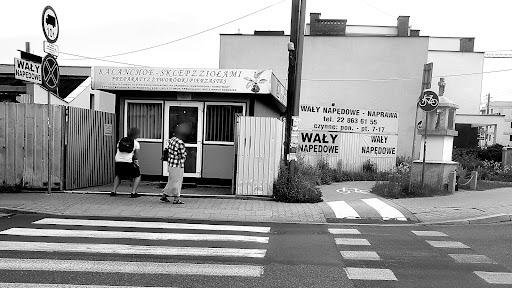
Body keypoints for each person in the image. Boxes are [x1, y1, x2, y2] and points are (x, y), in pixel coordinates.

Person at [161, 123, 190, 204]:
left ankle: (164, 195)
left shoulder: (172, 140)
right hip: (177, 165)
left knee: (171, 180)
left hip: (170, 164)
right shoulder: (180, 143)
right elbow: (182, 155)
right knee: (177, 181)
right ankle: (176, 198)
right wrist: (185, 157)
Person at [111, 127, 142, 198]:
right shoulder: (136, 143)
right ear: (136, 135)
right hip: (128, 162)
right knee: (137, 175)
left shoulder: (120, 141)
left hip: (118, 161)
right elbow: (136, 157)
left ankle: (113, 191)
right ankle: (133, 192)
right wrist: (134, 160)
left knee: (118, 175)